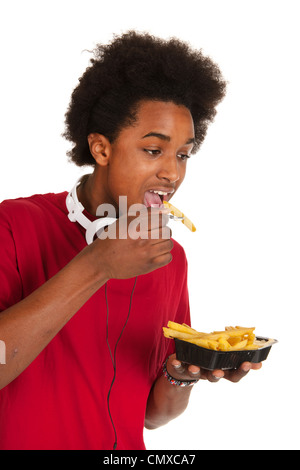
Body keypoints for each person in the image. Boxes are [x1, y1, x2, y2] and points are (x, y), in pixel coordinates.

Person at [0, 31, 261, 450]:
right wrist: (98, 264)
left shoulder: (169, 258)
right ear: (101, 148)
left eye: (182, 154)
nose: (172, 174)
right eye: (153, 150)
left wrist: (185, 372)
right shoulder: (13, 225)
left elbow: (152, 416)